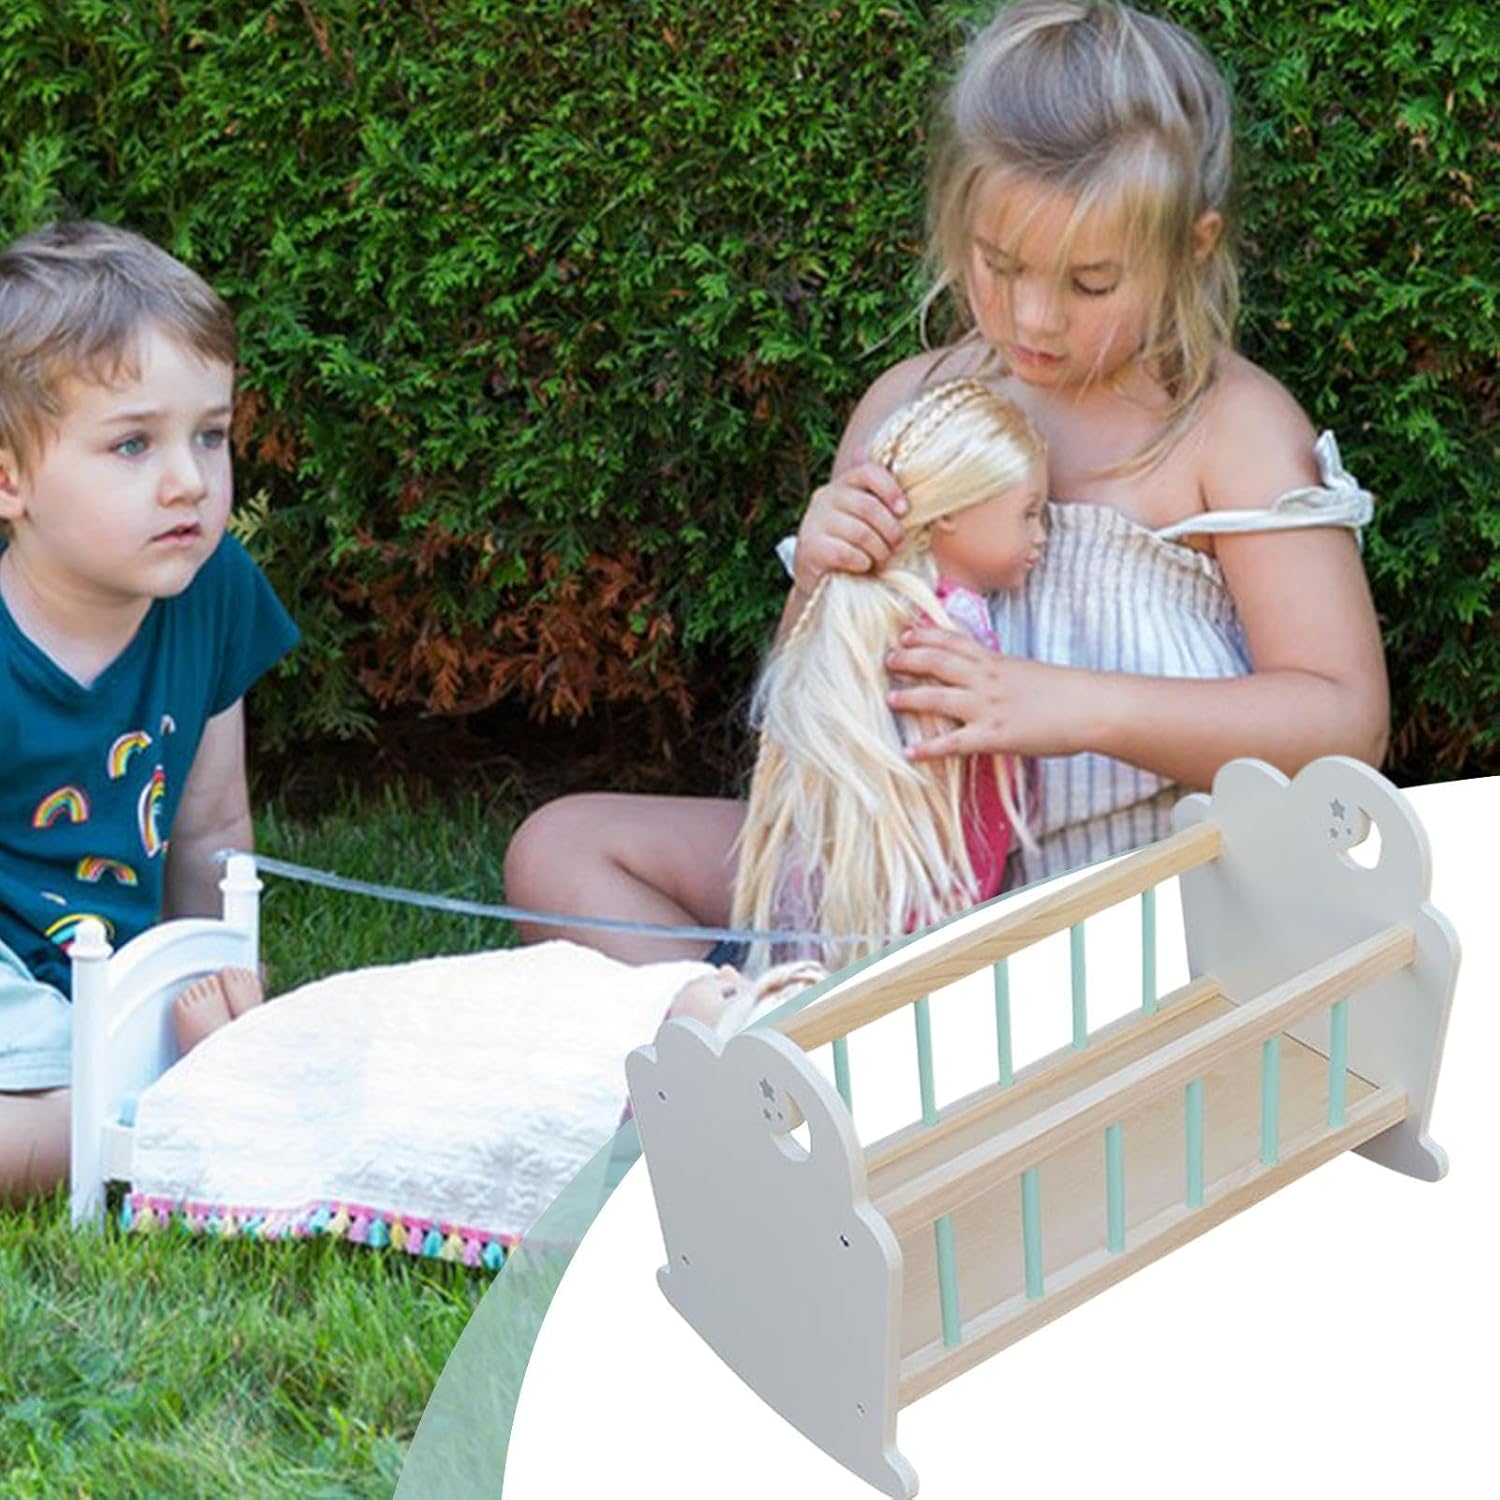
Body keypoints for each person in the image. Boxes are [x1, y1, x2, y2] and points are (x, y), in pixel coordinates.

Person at [504, 0, 1386, 960]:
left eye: (1090, 283)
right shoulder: (912, 408)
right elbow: (809, 724)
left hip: (1117, 909)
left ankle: (806, 1031)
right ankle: (750, 1023)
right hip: (900, 878)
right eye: (1000, 265)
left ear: (1193, 247)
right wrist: (823, 580)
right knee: (562, 850)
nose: (1035, 317)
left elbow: (1345, 721)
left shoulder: (1229, 430)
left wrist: (1073, 705)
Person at [0, 221, 298, 1199]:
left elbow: (211, 827)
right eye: (133, 444)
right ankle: (119, 1108)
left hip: (112, 980)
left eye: (210, 435)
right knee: (67, 1120)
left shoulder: (213, 589)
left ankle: (127, 1094)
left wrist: (215, 981)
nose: (190, 482)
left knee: (221, 1062)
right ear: (9, 477)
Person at [732, 379, 1045, 972]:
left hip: (851, 904)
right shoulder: (946, 630)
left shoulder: (864, 616)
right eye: (1028, 514)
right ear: (950, 514)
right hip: (921, 914)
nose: (1040, 536)